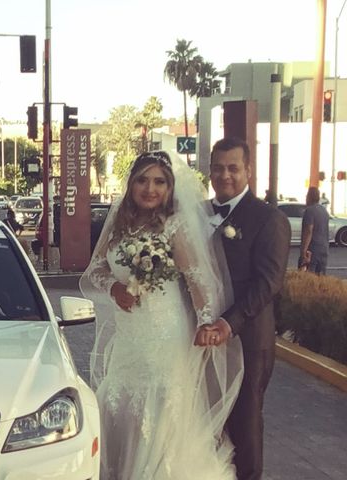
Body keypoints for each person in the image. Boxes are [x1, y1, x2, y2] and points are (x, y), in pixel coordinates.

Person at [81, 151, 243, 479]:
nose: (150, 188)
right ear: (131, 184)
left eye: (159, 181)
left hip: (165, 334)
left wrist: (205, 324)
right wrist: (114, 289)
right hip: (129, 334)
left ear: (169, 187)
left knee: (159, 406)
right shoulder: (118, 222)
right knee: (121, 396)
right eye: (142, 180)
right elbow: (96, 267)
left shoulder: (175, 225)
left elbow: (199, 281)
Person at [195, 137, 290, 480]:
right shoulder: (198, 213)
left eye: (233, 168)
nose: (225, 175)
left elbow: (268, 283)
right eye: (218, 168)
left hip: (246, 339)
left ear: (248, 170)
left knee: (245, 426)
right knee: (207, 422)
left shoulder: (269, 218)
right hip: (200, 340)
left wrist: (227, 323)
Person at [299, 186, 330, 274]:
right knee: (320, 279)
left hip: (312, 250)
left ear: (309, 196)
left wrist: (303, 251)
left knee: (309, 279)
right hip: (324, 249)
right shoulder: (324, 211)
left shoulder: (309, 211)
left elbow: (309, 231)